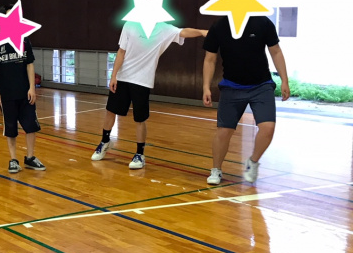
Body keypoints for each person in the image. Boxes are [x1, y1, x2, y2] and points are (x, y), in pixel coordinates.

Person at [92, 21, 207, 167]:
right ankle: (105, 142)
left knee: (140, 119)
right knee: (111, 111)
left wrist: (201, 32)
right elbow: (121, 51)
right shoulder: (129, 25)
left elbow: (183, 32)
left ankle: (139, 155)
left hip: (142, 81)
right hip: (123, 77)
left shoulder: (163, 29)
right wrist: (114, 76)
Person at [202, 16, 290, 185]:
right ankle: (216, 169)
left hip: (261, 85)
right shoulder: (219, 25)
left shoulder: (263, 22)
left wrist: (284, 80)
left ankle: (253, 161)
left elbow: (276, 51)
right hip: (231, 86)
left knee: (268, 128)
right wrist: (206, 87)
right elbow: (210, 59)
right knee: (224, 131)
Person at [0, 4, 45, 174]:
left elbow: (30, 64)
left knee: (31, 125)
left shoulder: (24, 39)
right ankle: (13, 159)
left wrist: (32, 87)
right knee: (10, 127)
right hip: (6, 93)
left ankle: (30, 158)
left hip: (25, 92)